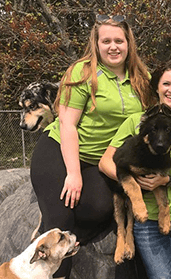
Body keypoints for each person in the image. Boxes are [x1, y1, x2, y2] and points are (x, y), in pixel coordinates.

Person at [30, 14, 152, 279]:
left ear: (129, 43)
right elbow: (68, 125)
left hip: (100, 161)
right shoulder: (82, 71)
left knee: (99, 209)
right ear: (96, 43)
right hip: (60, 151)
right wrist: (73, 175)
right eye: (106, 40)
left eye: (119, 40)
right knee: (60, 220)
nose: (113, 47)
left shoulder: (142, 78)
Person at [99, 60, 171, 279]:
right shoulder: (136, 121)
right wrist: (132, 180)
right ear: (157, 87)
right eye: (166, 84)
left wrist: (166, 180)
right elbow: (105, 162)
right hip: (148, 220)